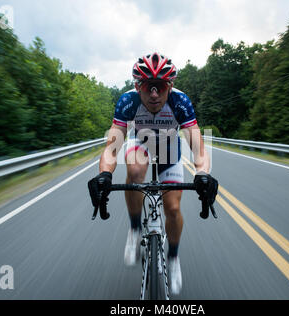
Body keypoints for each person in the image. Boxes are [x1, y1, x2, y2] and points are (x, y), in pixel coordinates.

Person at [88, 52, 218, 295]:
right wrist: (104, 174)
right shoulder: (128, 101)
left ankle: (174, 257)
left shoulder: (181, 102)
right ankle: (136, 228)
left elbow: (199, 148)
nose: (155, 94)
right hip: (140, 146)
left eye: (160, 86)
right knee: (135, 169)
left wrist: (202, 174)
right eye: (149, 87)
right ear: (138, 86)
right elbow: (112, 147)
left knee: (173, 208)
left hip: (170, 151)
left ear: (170, 86)